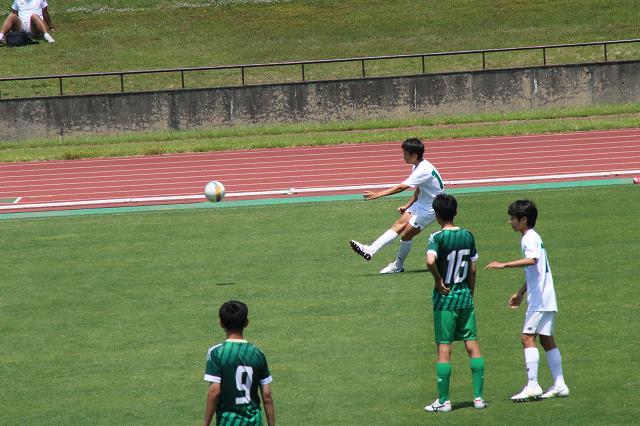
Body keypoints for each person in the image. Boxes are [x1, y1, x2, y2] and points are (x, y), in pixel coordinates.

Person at [485, 199, 569, 402]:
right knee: (546, 339)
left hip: (539, 299)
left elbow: (533, 260)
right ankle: (560, 384)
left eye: (513, 218)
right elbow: (536, 271)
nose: (510, 222)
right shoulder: (534, 237)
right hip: (546, 296)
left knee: (527, 338)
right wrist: (521, 292)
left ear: (523, 220)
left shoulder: (529, 238)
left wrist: (504, 265)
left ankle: (533, 385)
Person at [423, 194, 486, 413]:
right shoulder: (468, 235)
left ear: (437, 215)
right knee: (472, 345)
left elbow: (430, 261)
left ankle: (444, 401)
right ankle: (478, 398)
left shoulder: (437, 237)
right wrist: (470, 292)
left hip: (445, 300)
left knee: (444, 347)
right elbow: (473, 268)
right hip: (465, 297)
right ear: (455, 212)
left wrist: (438, 279)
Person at [349, 137, 445, 274]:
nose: (403, 155)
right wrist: (408, 205)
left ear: (414, 155)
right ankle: (370, 250)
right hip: (422, 202)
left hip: (431, 208)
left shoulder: (423, 169)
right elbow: (420, 188)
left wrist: (378, 194)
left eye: (405, 153)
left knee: (406, 235)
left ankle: (397, 266)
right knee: (398, 225)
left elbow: (401, 187)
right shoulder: (418, 165)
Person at [203, 300, 276, 426]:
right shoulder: (257, 353)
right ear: (246, 323)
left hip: (228, 422)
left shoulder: (217, 353)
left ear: (221, 323)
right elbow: (267, 395)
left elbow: (214, 392)